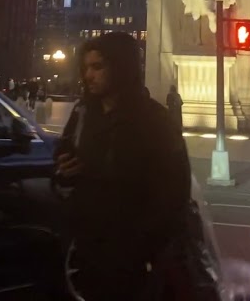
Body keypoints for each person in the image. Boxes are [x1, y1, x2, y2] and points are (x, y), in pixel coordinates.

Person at [55, 32, 192, 300]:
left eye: (98, 67)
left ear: (121, 67)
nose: (88, 76)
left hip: (133, 262)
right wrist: (63, 175)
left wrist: (140, 250)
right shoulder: (81, 114)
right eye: (85, 68)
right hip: (85, 250)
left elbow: (174, 197)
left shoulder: (156, 121)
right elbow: (62, 169)